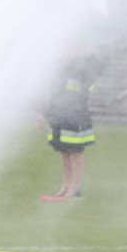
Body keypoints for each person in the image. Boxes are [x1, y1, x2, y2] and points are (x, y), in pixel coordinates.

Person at [37, 46, 99, 201]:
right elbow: (53, 96)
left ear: (75, 52)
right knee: (64, 152)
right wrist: (43, 114)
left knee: (76, 152)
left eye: (66, 51)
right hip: (59, 115)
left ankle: (74, 187)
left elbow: (92, 79)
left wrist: (90, 59)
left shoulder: (82, 67)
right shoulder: (58, 71)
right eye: (62, 51)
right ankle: (65, 186)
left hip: (76, 115)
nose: (62, 54)